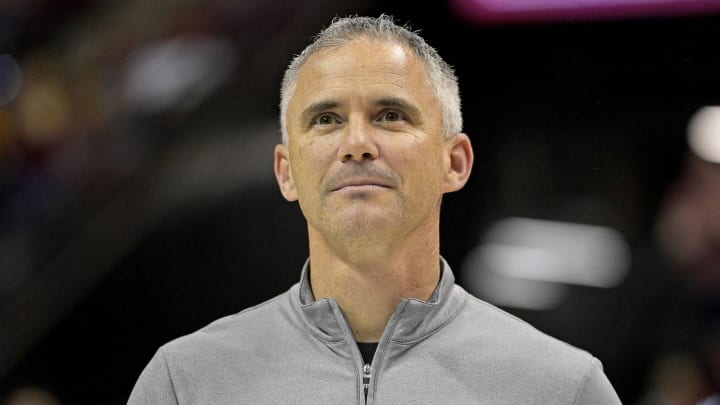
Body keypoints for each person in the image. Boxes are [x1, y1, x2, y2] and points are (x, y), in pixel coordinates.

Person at [127, 14, 621, 404]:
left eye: (390, 115)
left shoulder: (562, 389)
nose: (357, 143)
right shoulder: (186, 383)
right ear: (286, 172)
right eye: (325, 119)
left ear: (455, 162)